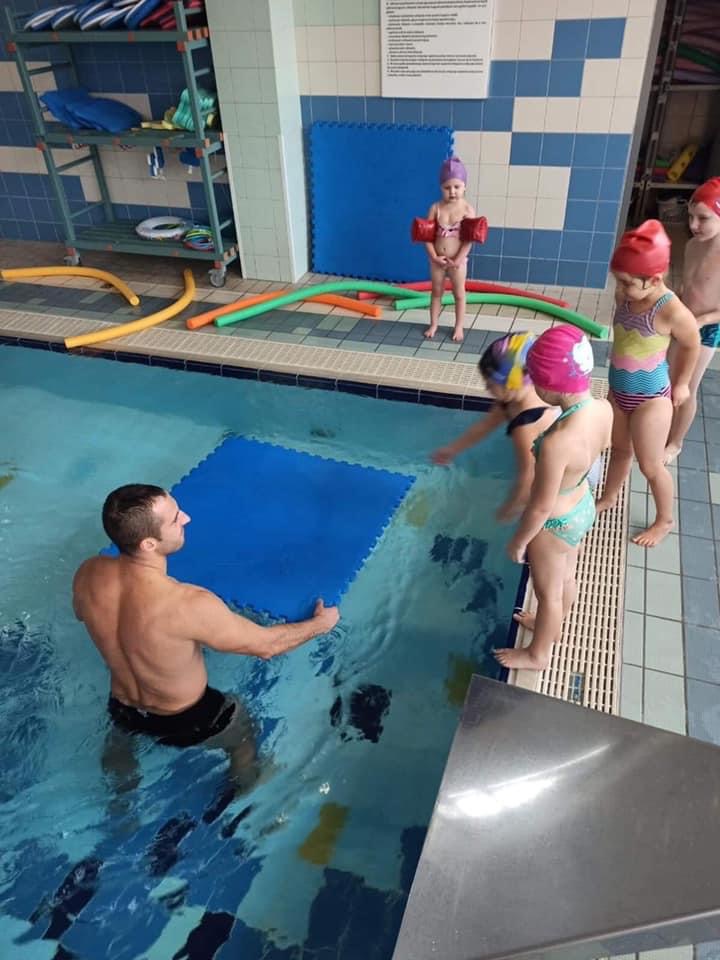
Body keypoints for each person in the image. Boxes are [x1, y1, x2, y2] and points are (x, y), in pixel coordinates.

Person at [73, 484, 340, 793]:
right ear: (148, 544)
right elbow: (267, 646)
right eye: (175, 518)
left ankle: (121, 797)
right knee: (243, 728)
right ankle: (247, 785)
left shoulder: (88, 573)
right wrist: (321, 624)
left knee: (121, 741)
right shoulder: (189, 604)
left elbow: (84, 615)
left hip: (122, 707)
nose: (186, 518)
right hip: (186, 718)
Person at [493, 325, 612, 672]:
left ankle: (538, 654)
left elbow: (541, 506)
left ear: (547, 385)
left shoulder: (558, 442)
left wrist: (520, 540)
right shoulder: (603, 408)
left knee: (547, 594)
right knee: (567, 577)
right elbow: (604, 446)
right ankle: (553, 626)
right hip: (583, 504)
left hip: (555, 524)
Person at [595, 220, 699, 547]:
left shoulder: (671, 310)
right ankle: (609, 496)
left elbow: (692, 343)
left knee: (650, 465)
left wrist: (682, 383)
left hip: (652, 399)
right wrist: (626, 289)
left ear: (654, 279)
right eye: (618, 280)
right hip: (619, 391)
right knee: (619, 450)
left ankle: (665, 519)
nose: (621, 289)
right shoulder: (625, 296)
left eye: (627, 283)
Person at [431, 332, 559, 521]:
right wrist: (452, 449)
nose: (486, 388)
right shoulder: (512, 397)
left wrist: (510, 509)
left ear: (509, 383)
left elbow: (528, 475)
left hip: (570, 475)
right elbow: (486, 425)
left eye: (490, 384)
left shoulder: (525, 425)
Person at [664, 178, 720, 462]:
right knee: (667, 378)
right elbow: (688, 284)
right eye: (690, 217)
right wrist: (673, 298)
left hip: (706, 329)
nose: (694, 225)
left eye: (703, 218)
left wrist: (701, 320)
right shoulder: (692, 245)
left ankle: (676, 442)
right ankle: (662, 426)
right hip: (684, 320)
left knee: (686, 386)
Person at [423, 156, 476, 343]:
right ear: (441, 188)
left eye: (457, 187)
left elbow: (469, 240)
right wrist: (434, 257)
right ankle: (433, 324)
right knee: (436, 292)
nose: (452, 192)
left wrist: (459, 259)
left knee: (459, 293)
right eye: (447, 188)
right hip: (437, 260)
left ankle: (458, 326)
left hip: (458, 261)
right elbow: (426, 237)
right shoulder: (435, 208)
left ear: (464, 187)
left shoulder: (468, 210)